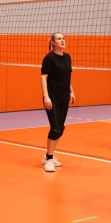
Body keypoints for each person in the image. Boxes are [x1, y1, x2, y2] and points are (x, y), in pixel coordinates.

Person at [40, 33, 75, 172]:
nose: (62, 40)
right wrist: (46, 96)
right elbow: (43, 78)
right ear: (53, 43)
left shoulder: (67, 57)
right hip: (52, 98)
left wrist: (71, 92)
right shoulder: (49, 58)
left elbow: (68, 77)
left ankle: (49, 156)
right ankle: (49, 159)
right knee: (55, 128)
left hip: (64, 97)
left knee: (60, 128)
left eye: (63, 38)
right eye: (59, 39)